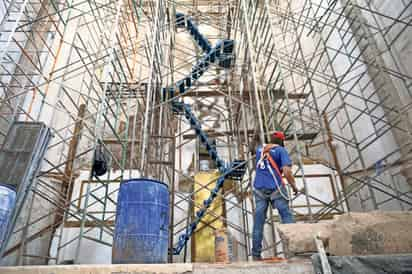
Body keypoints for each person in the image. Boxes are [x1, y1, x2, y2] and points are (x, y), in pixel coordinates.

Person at [251, 131, 299, 260]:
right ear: (282, 141)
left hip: (259, 188)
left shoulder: (260, 150)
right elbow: (287, 171)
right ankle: (293, 253)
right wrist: (294, 186)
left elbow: (259, 167)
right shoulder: (281, 150)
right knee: (286, 216)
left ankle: (256, 255)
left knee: (258, 222)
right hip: (276, 187)